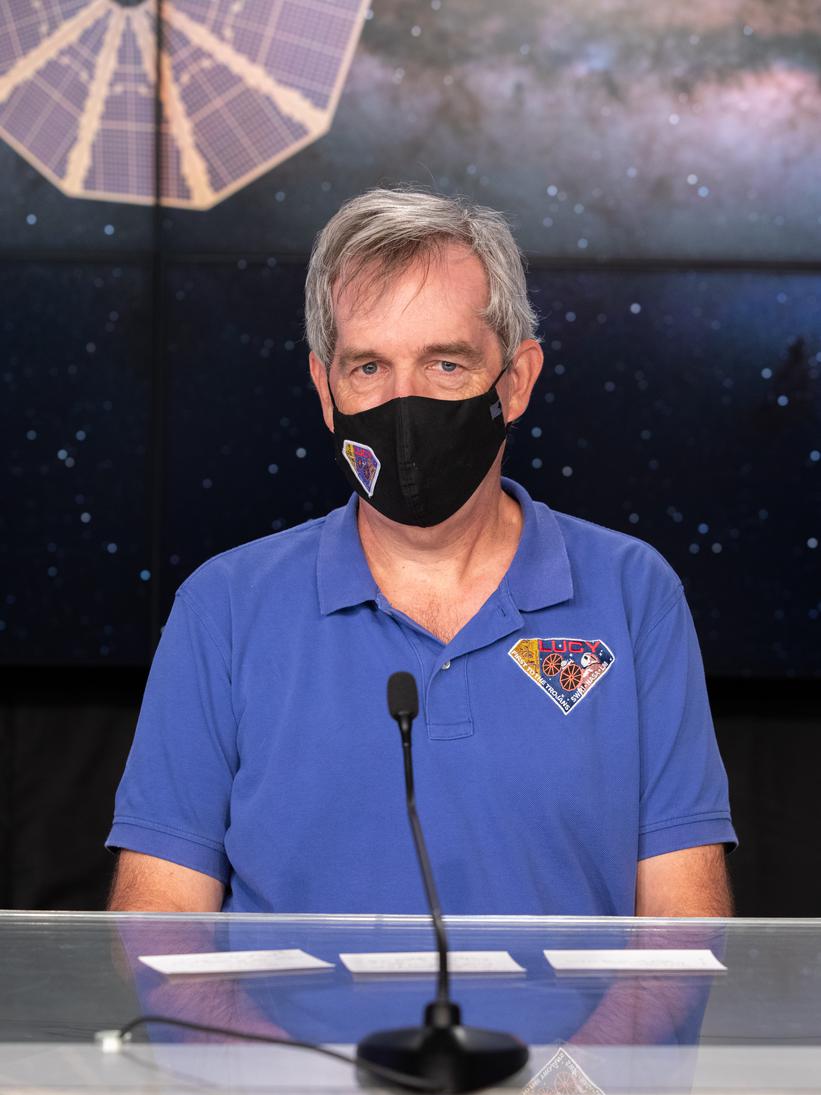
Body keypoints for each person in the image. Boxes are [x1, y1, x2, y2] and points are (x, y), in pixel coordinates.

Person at [107, 187, 735, 917]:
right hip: (285, 1038)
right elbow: (159, 922)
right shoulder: (224, 606)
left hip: (564, 1040)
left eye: (444, 364)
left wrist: (575, 1044)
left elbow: (682, 928)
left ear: (517, 380)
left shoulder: (632, 594)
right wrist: (269, 1041)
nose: (403, 407)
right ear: (324, 388)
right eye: (368, 367)